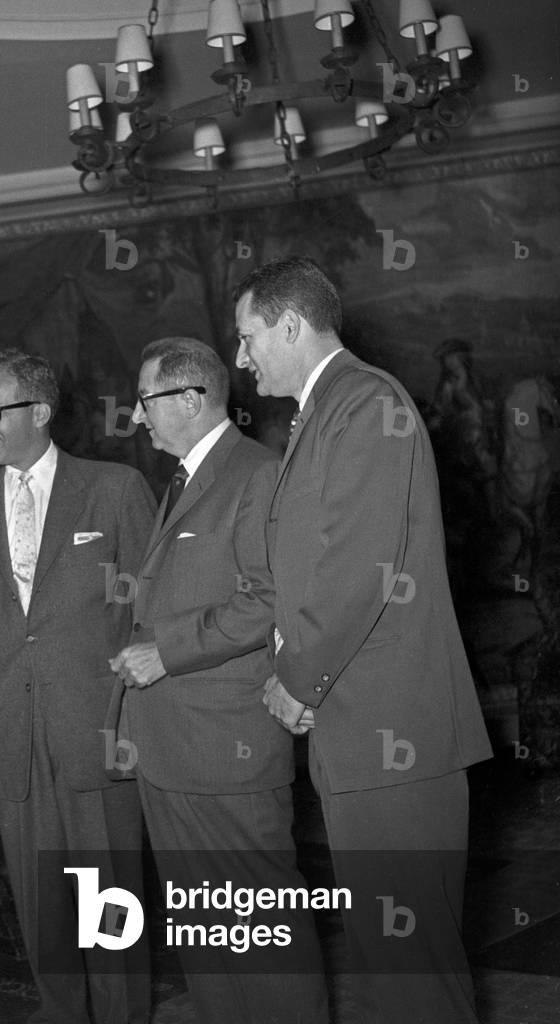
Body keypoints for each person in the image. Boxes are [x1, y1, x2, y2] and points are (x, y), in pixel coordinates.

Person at [233, 256, 493, 1023]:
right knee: (390, 967)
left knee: (415, 973)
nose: (242, 359)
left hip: (393, 735)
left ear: (290, 325)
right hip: (363, 733)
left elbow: (360, 566)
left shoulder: (366, 402)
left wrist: (295, 677)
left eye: (249, 338)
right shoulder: (325, 412)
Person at [109, 337, 328, 1024]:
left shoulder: (257, 474)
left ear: (191, 398)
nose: (137, 419)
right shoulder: (184, 481)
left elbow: (269, 599)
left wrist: (166, 652)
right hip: (173, 751)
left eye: (145, 402)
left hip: (226, 751)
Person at [0, 348, 156, 1024]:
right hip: (11, 745)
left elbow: (153, 610)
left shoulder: (114, 489)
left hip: (100, 740)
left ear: (42, 411)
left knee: (111, 916)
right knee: (46, 921)